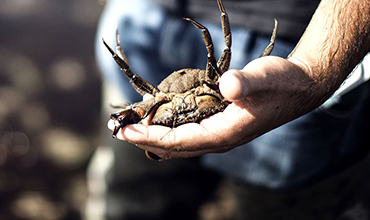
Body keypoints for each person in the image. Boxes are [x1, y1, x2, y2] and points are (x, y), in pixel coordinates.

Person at [86, 0, 370, 219]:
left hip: (299, 41)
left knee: (282, 209)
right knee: (130, 201)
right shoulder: (152, 92)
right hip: (142, 23)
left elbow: (221, 49)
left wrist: (315, 66)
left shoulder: (216, 76)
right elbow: (133, 81)